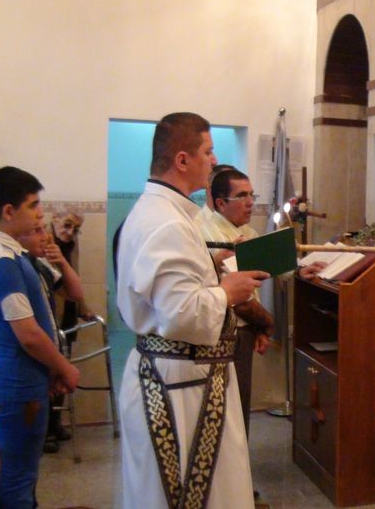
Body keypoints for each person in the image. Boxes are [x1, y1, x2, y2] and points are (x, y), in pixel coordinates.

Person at [116, 112, 269, 508]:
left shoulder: (161, 213)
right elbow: (182, 313)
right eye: (208, 151)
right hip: (181, 388)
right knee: (191, 496)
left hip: (183, 379)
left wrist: (210, 267)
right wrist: (227, 292)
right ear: (182, 160)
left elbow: (169, 292)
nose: (214, 161)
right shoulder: (167, 223)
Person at [0, 166, 80, 507]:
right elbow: (28, 334)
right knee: (19, 479)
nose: (39, 213)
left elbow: (66, 298)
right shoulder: (2, 261)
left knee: (20, 475)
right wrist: (63, 367)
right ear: (8, 211)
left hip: (23, 378)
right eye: (33, 205)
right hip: (16, 382)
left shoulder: (12, 254)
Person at [196, 168, 273, 439]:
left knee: (240, 406)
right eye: (242, 196)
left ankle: (239, 467)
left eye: (252, 195)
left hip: (246, 328)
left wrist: (259, 328)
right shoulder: (203, 231)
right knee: (227, 412)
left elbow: (267, 273)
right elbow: (232, 297)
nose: (250, 202)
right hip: (224, 332)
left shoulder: (247, 232)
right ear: (220, 202)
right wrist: (267, 322)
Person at [19, 224, 87, 453]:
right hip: (31, 355)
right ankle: (45, 433)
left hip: (49, 345)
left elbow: (75, 293)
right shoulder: (16, 267)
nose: (45, 237)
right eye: (37, 230)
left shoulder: (41, 266)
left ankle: (50, 428)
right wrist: (63, 367)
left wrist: (63, 263)